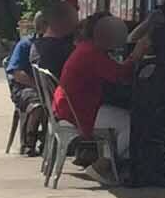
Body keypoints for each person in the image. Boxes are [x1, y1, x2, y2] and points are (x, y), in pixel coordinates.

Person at [52, 14, 136, 181]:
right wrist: (136, 55)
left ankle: (118, 164)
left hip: (71, 108)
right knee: (131, 122)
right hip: (80, 113)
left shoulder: (85, 48)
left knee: (120, 116)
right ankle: (103, 165)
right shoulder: (91, 53)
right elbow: (119, 75)